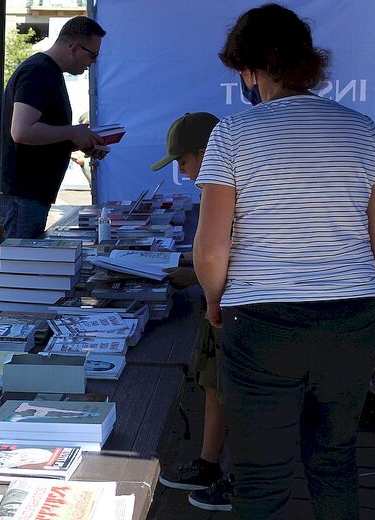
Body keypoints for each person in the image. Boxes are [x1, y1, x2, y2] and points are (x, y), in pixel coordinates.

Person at [194, 3, 375, 519]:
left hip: (262, 320)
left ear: (248, 68)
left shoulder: (233, 134)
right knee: (334, 463)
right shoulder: (361, 130)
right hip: (350, 317)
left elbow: (212, 247)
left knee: (262, 480)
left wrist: (214, 303)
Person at [151, 112, 234, 513]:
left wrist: (196, 276)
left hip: (233, 310)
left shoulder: (228, 186)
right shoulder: (215, 185)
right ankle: (209, 463)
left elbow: (231, 255)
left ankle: (241, 477)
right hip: (218, 306)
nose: (182, 172)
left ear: (204, 152)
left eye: (183, 162)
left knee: (239, 393)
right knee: (213, 383)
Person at [0, 16, 108, 239]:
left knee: (21, 264)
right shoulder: (39, 71)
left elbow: (40, 135)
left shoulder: (48, 71)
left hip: (29, 194)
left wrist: (79, 141)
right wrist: (72, 132)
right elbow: (21, 131)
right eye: (93, 54)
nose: (94, 62)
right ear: (75, 49)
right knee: (18, 266)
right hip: (22, 194)